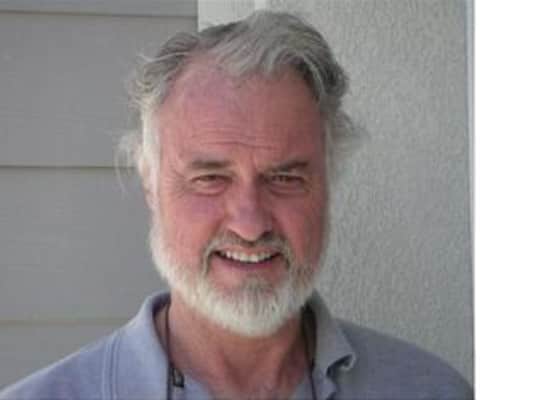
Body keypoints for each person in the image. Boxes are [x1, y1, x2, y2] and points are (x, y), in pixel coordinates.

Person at [0, 11, 472, 400]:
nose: (250, 224)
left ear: (327, 183)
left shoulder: (432, 391)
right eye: (210, 178)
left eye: (285, 178)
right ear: (150, 184)